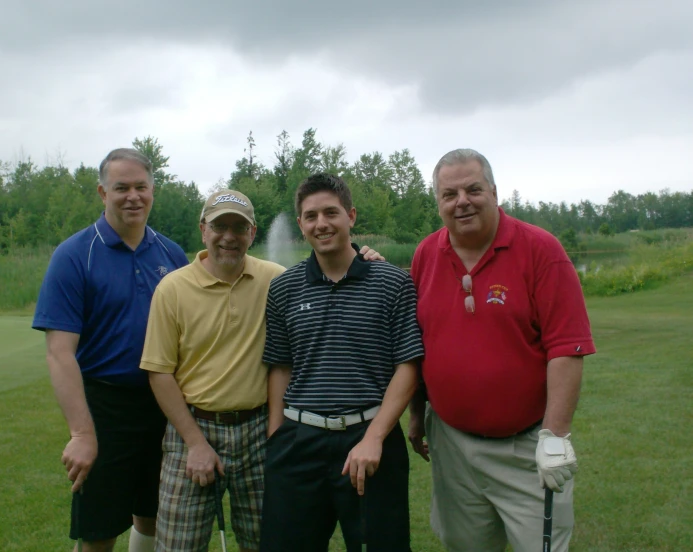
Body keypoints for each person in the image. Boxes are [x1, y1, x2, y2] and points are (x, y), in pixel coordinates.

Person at [140, 189, 385, 552]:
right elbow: (159, 373)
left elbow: (330, 271)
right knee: (178, 544)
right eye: (219, 226)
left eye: (239, 228)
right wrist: (194, 443)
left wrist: (367, 258)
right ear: (203, 229)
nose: (228, 236)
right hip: (192, 430)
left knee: (268, 542)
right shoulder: (172, 288)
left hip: (259, 429)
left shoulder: (277, 280)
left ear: (252, 234)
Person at [407, 148, 596, 552]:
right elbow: (421, 343)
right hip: (452, 446)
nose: (462, 202)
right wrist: (417, 415)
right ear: (438, 202)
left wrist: (556, 436)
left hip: (527, 448)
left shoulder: (541, 250)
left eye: (473, 189)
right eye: (449, 194)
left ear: (493, 191)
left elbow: (566, 348)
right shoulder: (426, 254)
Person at [32, 148, 189, 552]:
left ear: (153, 191)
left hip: (164, 402)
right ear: (103, 193)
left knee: (154, 514)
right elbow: (59, 353)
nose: (132, 196)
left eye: (141, 187)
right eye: (121, 188)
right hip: (104, 407)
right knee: (99, 528)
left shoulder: (171, 254)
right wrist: (82, 433)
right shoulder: (74, 255)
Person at [260, 173, 424, 552]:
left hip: (369, 438)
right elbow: (280, 366)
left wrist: (375, 437)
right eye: (311, 216)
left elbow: (408, 366)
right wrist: (275, 437)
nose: (322, 224)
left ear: (350, 215)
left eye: (331, 213)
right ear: (300, 224)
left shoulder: (393, 283)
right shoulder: (284, 288)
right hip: (298, 441)